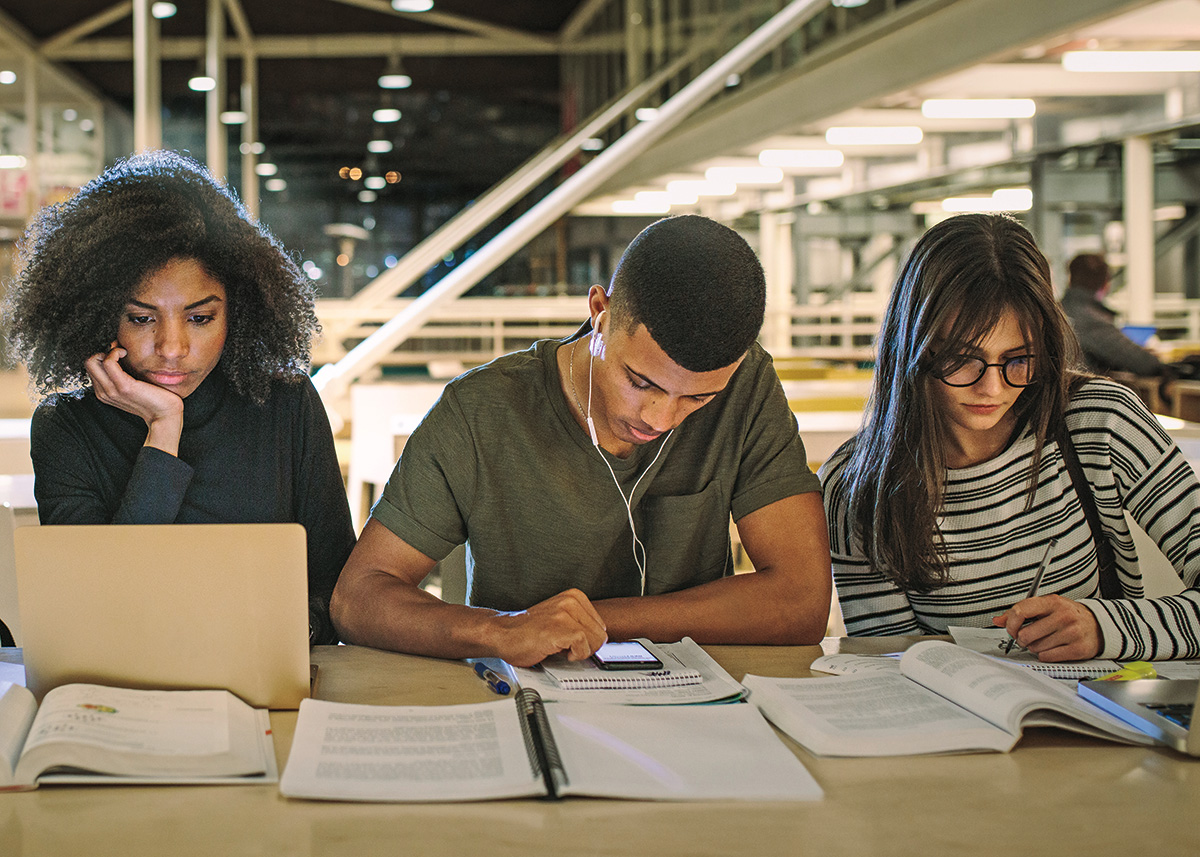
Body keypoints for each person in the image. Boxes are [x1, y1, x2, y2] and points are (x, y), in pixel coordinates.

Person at [331, 214, 832, 666]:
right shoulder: (481, 412)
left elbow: (802, 602)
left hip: (698, 709)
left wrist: (593, 621)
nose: (660, 418)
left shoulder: (747, 387)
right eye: (640, 381)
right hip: (527, 705)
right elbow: (357, 599)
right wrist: (500, 630)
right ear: (600, 312)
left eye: (697, 400)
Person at [3, 150, 355, 644]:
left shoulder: (284, 405)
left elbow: (339, 589)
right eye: (143, 318)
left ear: (238, 312)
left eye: (200, 317)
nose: (172, 348)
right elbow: (100, 602)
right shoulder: (65, 427)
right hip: (125, 684)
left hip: (267, 672)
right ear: (100, 315)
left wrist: (276, 633)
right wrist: (163, 429)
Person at [820, 214, 1200, 662]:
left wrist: (1106, 627)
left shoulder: (1101, 421)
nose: (993, 388)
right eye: (964, 359)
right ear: (914, 348)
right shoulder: (859, 485)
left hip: (1103, 720)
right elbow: (890, 663)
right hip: (954, 725)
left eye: (1019, 359)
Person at [1061, 252, 1166, 377]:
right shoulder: (1092, 320)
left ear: (1070, 279)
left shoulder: (1057, 310)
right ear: (1106, 284)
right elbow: (1144, 363)